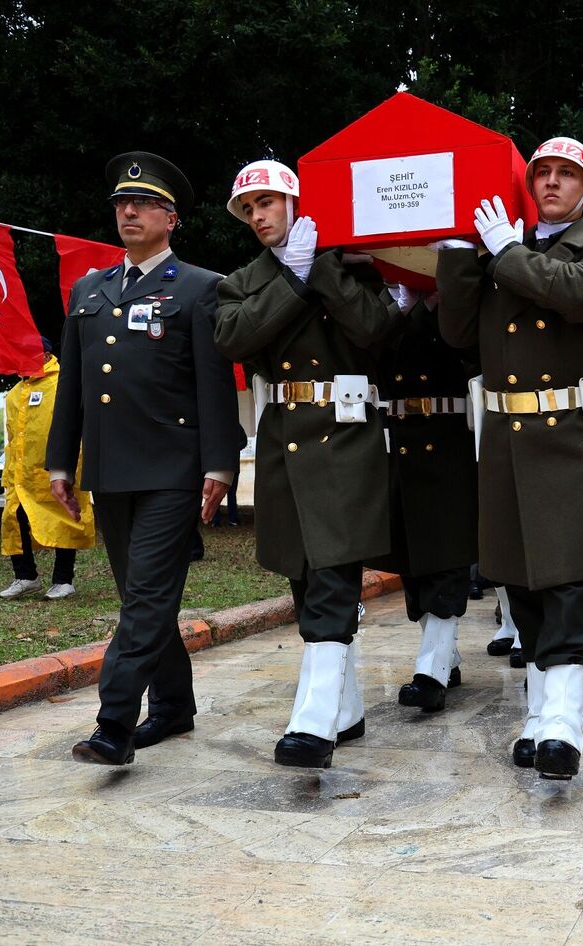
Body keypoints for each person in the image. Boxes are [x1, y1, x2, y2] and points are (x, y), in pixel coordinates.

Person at [437, 135, 583, 780]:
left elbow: (574, 292)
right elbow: (458, 333)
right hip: (507, 438)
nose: (550, 183)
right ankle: (537, 713)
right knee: (519, 579)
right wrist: (459, 255)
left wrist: (504, 252)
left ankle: (564, 724)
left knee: (572, 580)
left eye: (565, 175)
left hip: (573, 437)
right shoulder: (501, 249)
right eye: (540, 173)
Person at [48, 152, 244, 765]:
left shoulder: (198, 287)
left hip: (171, 470)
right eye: (119, 204)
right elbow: (74, 384)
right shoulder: (90, 289)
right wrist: (61, 461)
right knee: (144, 594)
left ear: (171, 218)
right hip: (110, 470)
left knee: (147, 598)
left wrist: (220, 465)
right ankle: (175, 707)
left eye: (142, 204)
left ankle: (114, 724)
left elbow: (214, 385)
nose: (127, 212)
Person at [213, 160, 400, 767]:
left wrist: (319, 267)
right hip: (285, 436)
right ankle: (344, 708)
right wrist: (290, 278)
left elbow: (376, 329)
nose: (258, 216)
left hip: (346, 432)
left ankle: (314, 721)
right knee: (303, 574)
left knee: (333, 575)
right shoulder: (244, 279)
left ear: (297, 202)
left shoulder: (350, 266)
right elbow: (235, 339)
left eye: (268, 202)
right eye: (249, 209)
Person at [373, 280, 479, 714]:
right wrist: (398, 311)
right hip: (400, 439)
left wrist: (438, 306)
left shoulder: (460, 308)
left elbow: (473, 355)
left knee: (445, 555)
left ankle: (431, 670)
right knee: (414, 560)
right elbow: (370, 356)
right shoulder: (389, 310)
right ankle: (444, 656)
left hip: (448, 438)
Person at [0, 340, 95, 599]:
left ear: (45, 355)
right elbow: (11, 436)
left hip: (54, 470)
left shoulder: (63, 385)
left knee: (62, 519)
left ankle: (64, 580)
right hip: (21, 474)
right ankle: (25, 576)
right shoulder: (14, 393)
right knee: (14, 520)